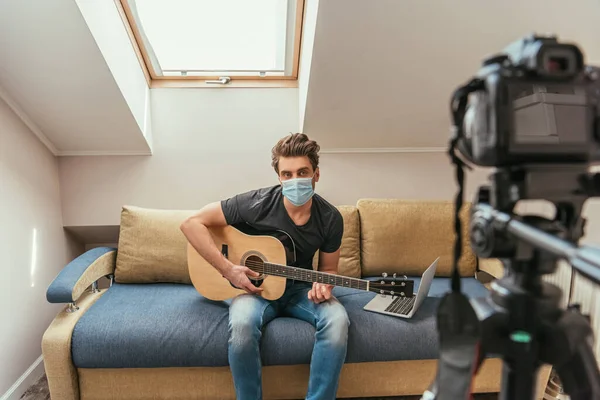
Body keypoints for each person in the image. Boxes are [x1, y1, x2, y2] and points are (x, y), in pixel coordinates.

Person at [180, 133, 349, 400]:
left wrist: (325, 284)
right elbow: (191, 224)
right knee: (242, 325)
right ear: (279, 177)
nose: (295, 180)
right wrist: (228, 269)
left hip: (300, 290)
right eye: (287, 174)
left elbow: (328, 269)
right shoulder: (256, 203)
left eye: (303, 172)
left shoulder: (330, 219)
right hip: (253, 290)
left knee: (338, 320)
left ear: (316, 174)